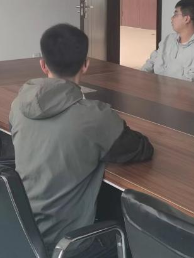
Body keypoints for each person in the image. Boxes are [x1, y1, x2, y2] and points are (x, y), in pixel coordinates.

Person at [9, 24, 154, 257]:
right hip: (68, 244)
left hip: (19, 228)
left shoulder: (18, 104)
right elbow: (141, 149)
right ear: (86, 64)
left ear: (43, 64)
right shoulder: (94, 117)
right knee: (140, 235)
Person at [141, 0, 194, 84]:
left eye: (175, 14)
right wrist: (140, 77)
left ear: (186, 19)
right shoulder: (169, 39)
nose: (172, 18)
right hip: (156, 88)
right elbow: (151, 63)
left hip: (178, 92)